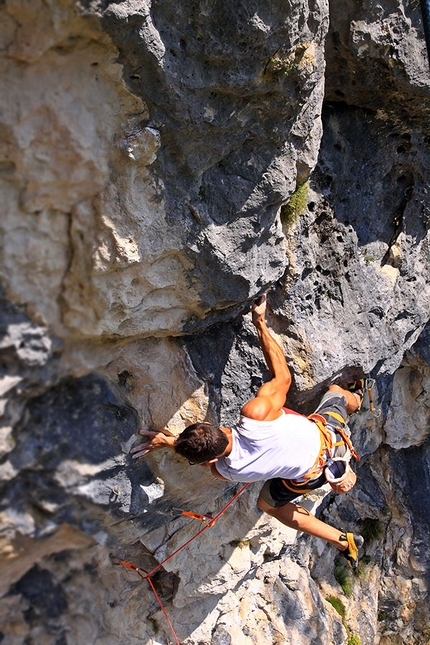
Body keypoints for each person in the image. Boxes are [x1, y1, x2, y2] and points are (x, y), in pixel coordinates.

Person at [131, 295, 364, 567]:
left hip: (311, 477)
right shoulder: (256, 416)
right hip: (331, 437)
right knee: (336, 392)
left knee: (269, 506)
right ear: (210, 426)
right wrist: (259, 322)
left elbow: (209, 462)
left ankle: (340, 540)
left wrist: (167, 443)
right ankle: (359, 398)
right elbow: (283, 377)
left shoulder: (230, 471)